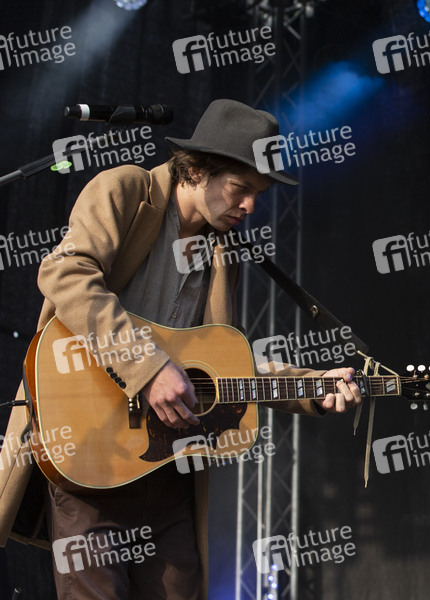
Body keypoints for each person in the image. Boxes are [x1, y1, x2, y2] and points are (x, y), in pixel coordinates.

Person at [0, 99, 362, 599]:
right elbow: (66, 274)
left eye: (258, 194)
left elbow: (221, 365)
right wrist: (148, 369)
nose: (250, 206)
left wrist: (311, 387)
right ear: (195, 170)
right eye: (240, 188)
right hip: (87, 452)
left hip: (167, 471)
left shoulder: (224, 254)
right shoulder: (127, 190)